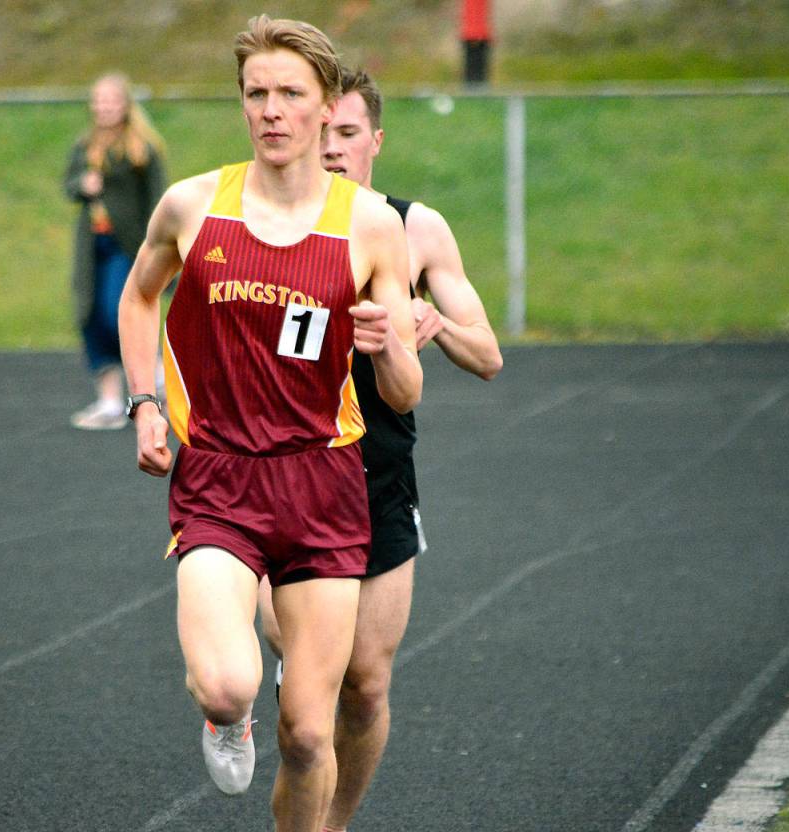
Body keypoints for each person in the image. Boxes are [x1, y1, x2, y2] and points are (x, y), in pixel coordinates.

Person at [118, 17, 422, 831]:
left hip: (324, 483)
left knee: (311, 731)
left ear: (327, 109)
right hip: (219, 477)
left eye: (291, 94)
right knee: (227, 681)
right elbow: (140, 293)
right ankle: (226, 717)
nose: (272, 111)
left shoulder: (369, 225)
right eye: (257, 94)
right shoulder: (193, 206)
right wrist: (144, 402)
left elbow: (402, 391)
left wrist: (386, 344)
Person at [257, 68, 503, 832]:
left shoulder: (416, 228)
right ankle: (237, 685)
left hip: (379, 481)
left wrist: (435, 325)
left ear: (375, 141)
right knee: (309, 683)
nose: (331, 150)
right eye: (321, 133)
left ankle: (331, 825)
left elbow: (489, 354)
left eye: (348, 134)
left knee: (364, 685)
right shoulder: (264, 223)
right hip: (281, 475)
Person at [64, 73, 167, 429]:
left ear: (124, 105)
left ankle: (153, 370)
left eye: (111, 100)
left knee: (115, 311)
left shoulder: (142, 147)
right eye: (99, 100)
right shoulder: (84, 145)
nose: (104, 106)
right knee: (90, 315)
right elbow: (69, 184)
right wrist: (83, 184)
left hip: (128, 244)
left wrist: (159, 245)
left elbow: (158, 197)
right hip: (94, 244)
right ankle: (109, 401)